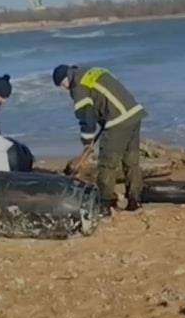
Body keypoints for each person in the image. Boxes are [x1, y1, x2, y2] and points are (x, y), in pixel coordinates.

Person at [52, 64, 147, 215]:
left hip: (118, 120)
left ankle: (105, 205)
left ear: (64, 80)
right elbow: (104, 96)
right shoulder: (89, 71)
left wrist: (87, 143)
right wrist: (103, 122)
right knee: (131, 162)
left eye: (62, 86)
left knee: (107, 165)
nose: (64, 89)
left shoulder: (78, 86)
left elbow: (86, 117)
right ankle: (135, 201)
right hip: (133, 112)